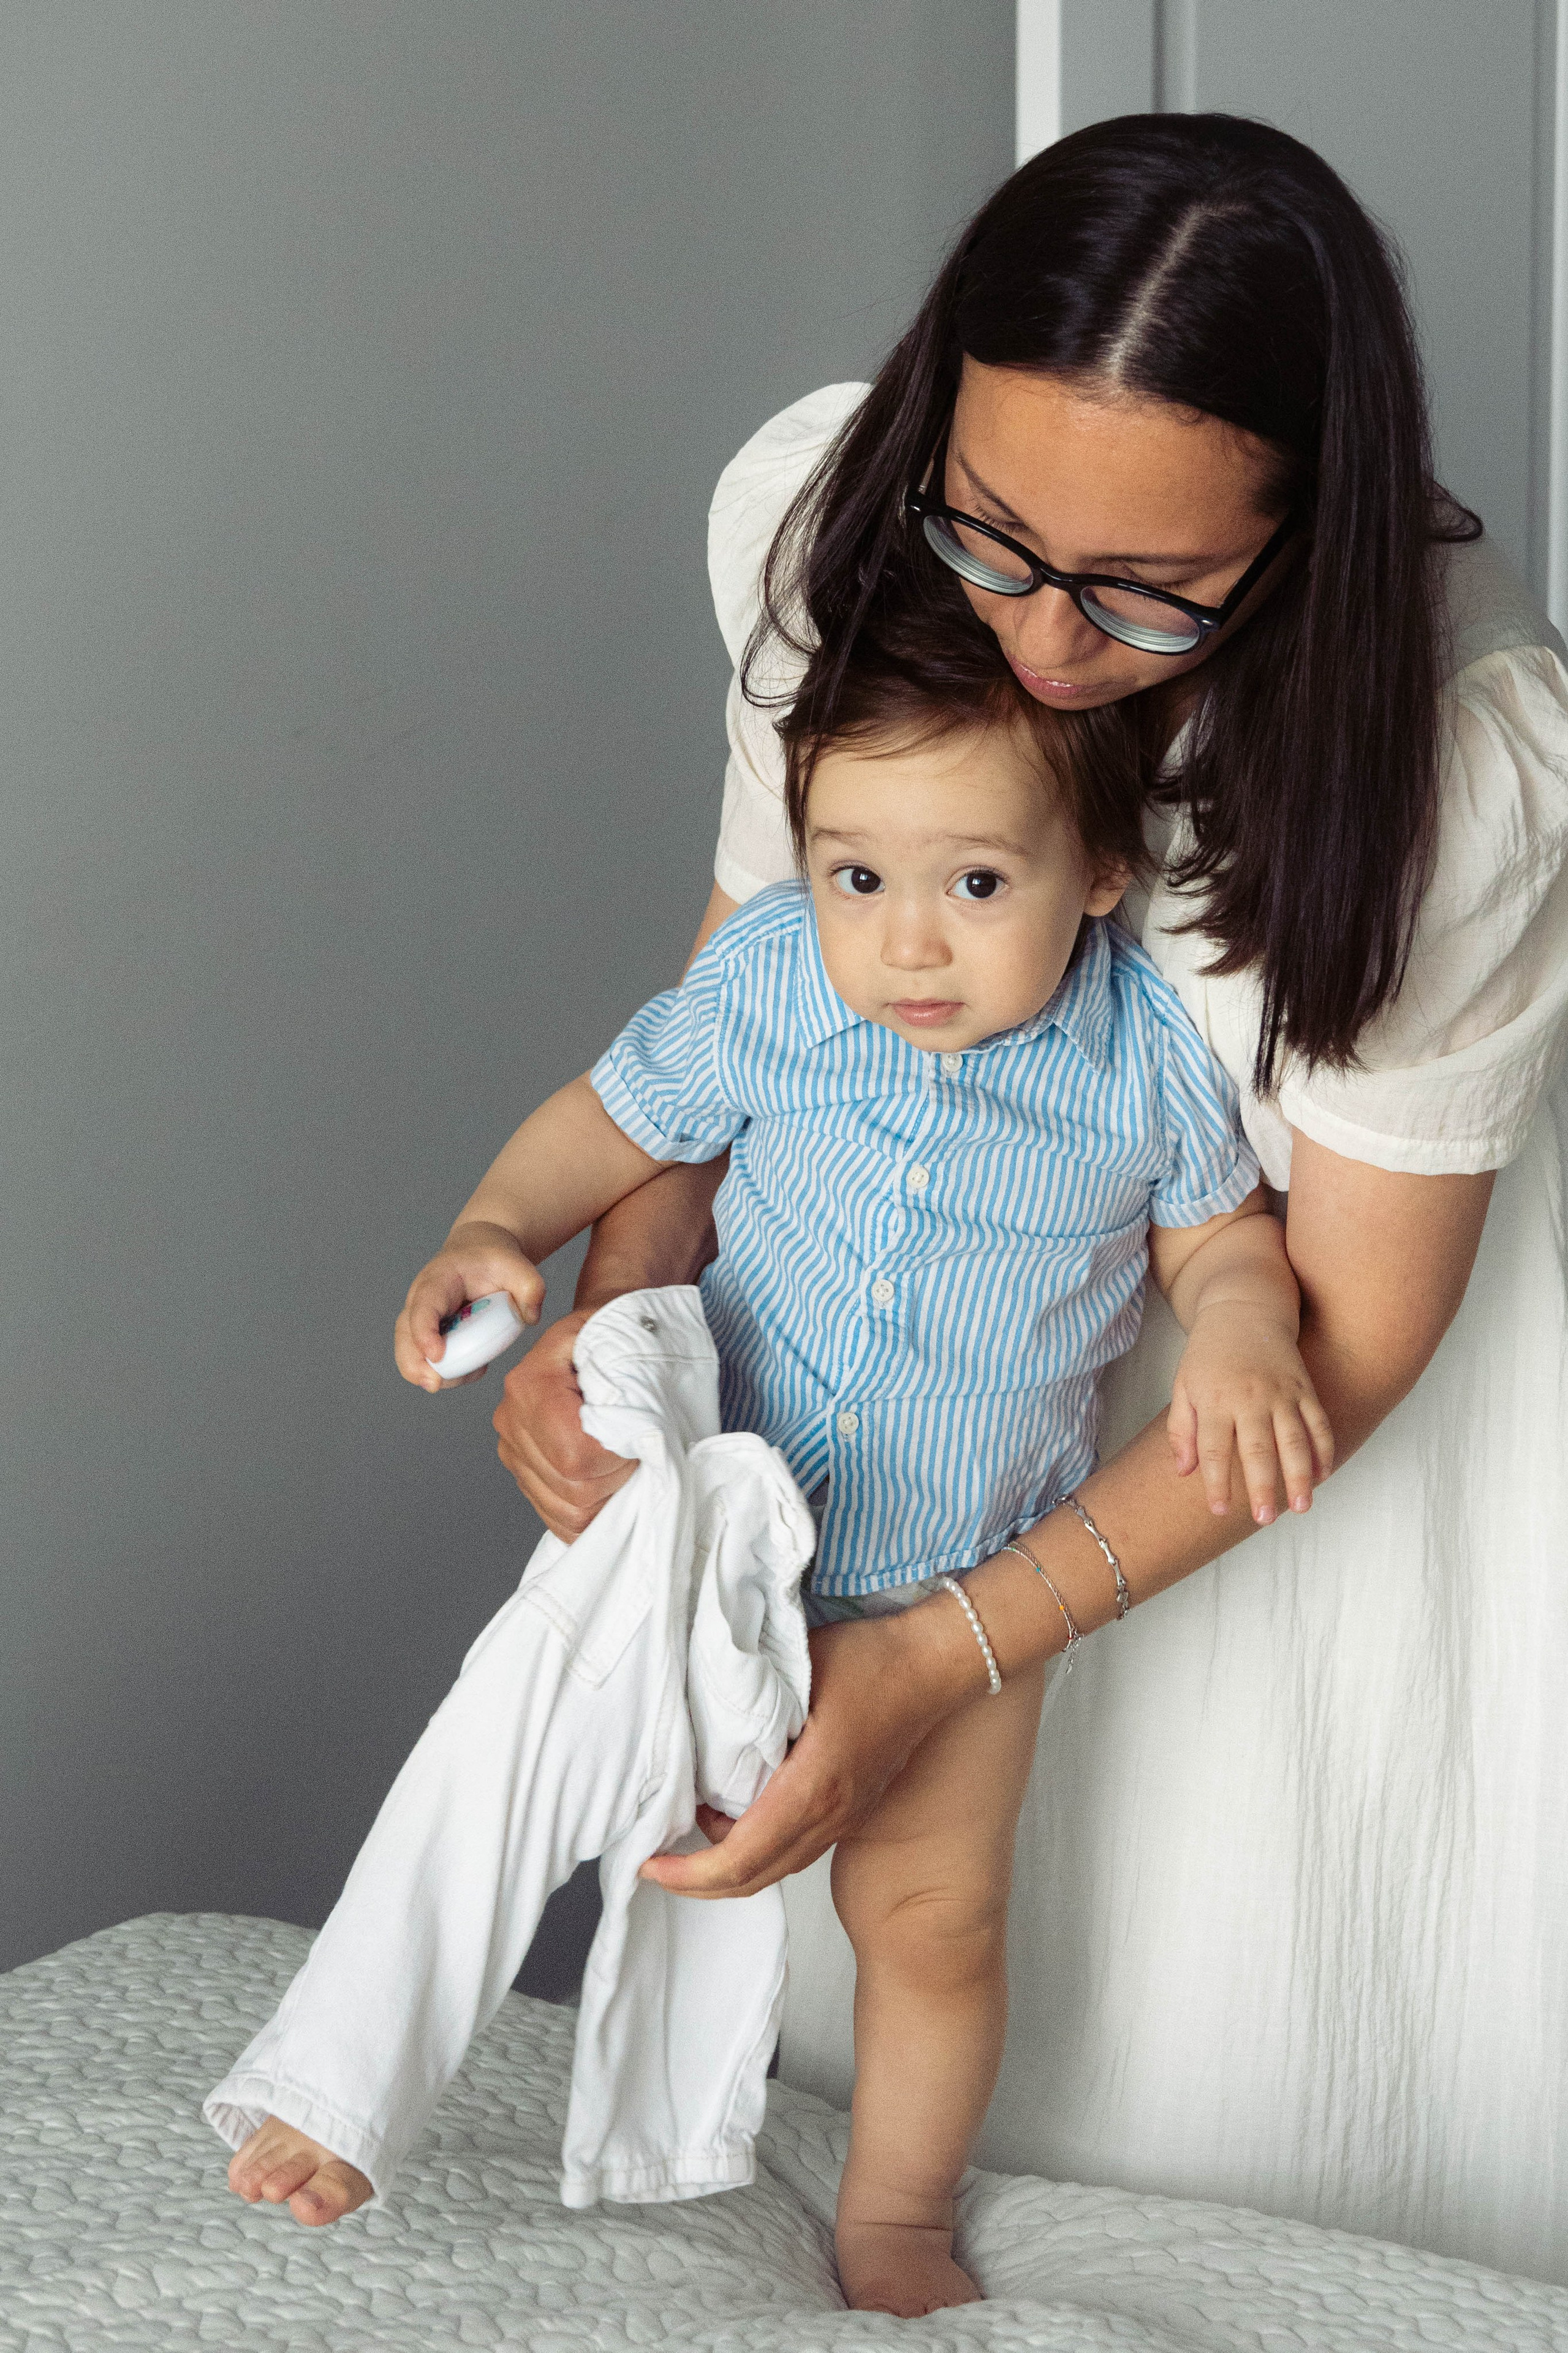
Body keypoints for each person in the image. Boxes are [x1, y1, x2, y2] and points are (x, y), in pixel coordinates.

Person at [489, 115, 1568, 2280]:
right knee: (835, 1907)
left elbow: (1338, 1337)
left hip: (1252, 1422)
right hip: (880, 1377)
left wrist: (943, 1655)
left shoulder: (1448, 765)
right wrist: (640, 1355)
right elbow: (744, 1004)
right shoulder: (833, 526)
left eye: (1151, 588)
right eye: (994, 535)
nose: (1050, 640)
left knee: (1222, 2010)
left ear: (1315, 536)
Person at [225, 664, 1333, 2318]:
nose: (906, 940)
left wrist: (1245, 1337)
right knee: (508, 1756)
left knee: (935, 1914)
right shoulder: (774, 990)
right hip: (709, 1538)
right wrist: (493, 1228)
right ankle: (340, 2086)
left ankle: (894, 2216)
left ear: (1099, 874)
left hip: (960, 1582)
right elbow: (614, 1121)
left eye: (978, 882)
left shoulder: (1141, 1055)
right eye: (855, 876)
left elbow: (1224, 1242)